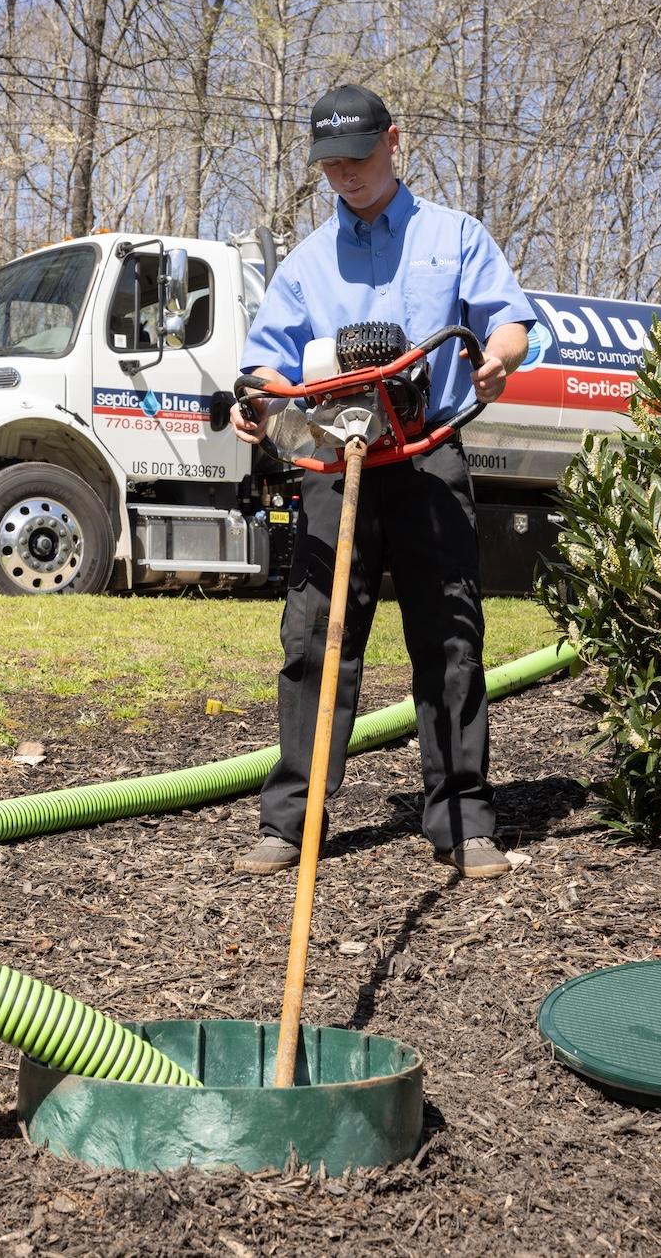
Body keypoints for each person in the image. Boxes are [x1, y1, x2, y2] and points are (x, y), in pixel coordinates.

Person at [231, 83, 536, 881]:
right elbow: (265, 360)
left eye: (358, 158)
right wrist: (260, 400)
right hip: (335, 461)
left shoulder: (453, 236)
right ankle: (293, 819)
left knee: (450, 636)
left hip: (428, 452)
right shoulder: (304, 263)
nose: (345, 176)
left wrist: (497, 361)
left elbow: (507, 319)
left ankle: (464, 819)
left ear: (394, 141)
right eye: (329, 164)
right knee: (315, 638)